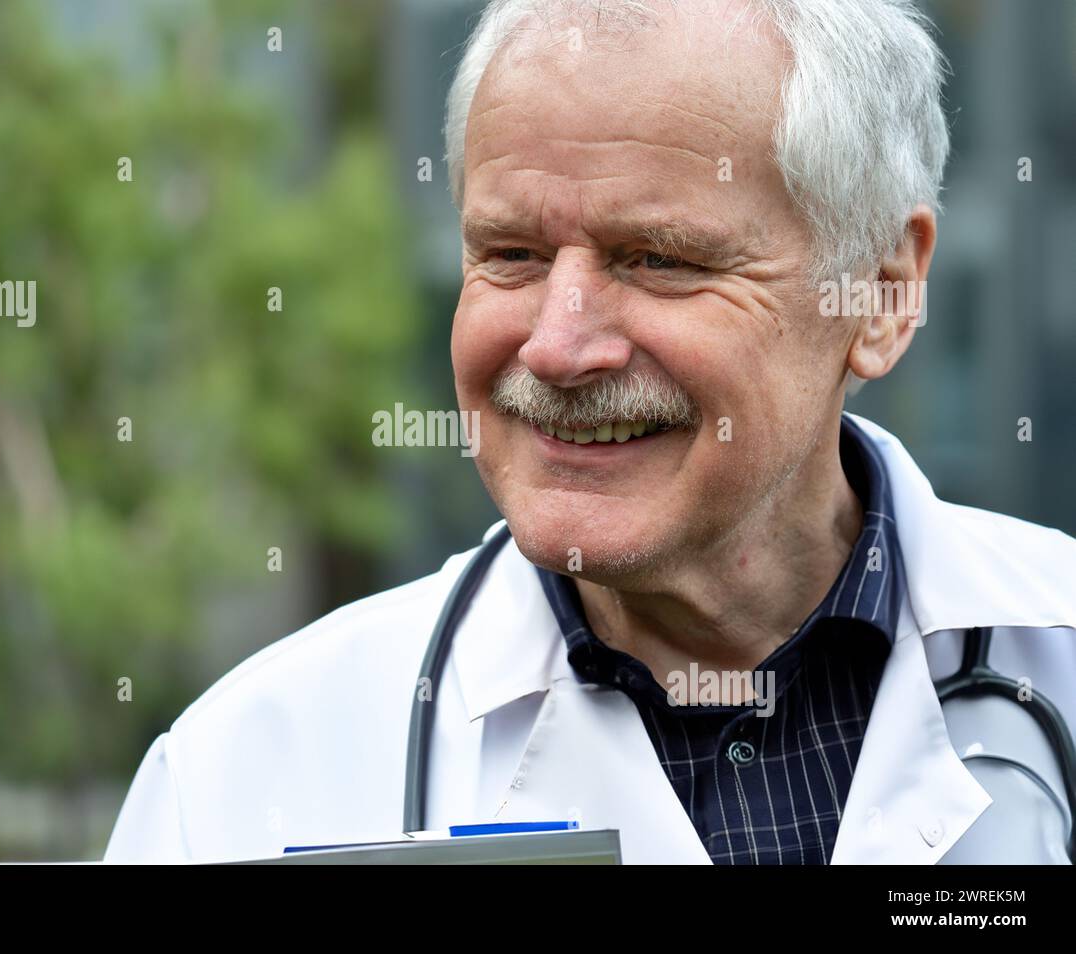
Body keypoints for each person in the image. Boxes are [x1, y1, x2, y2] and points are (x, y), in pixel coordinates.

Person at [104, 0, 1076, 864]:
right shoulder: (240, 775)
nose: (558, 346)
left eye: (656, 259)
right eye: (511, 253)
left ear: (881, 291)